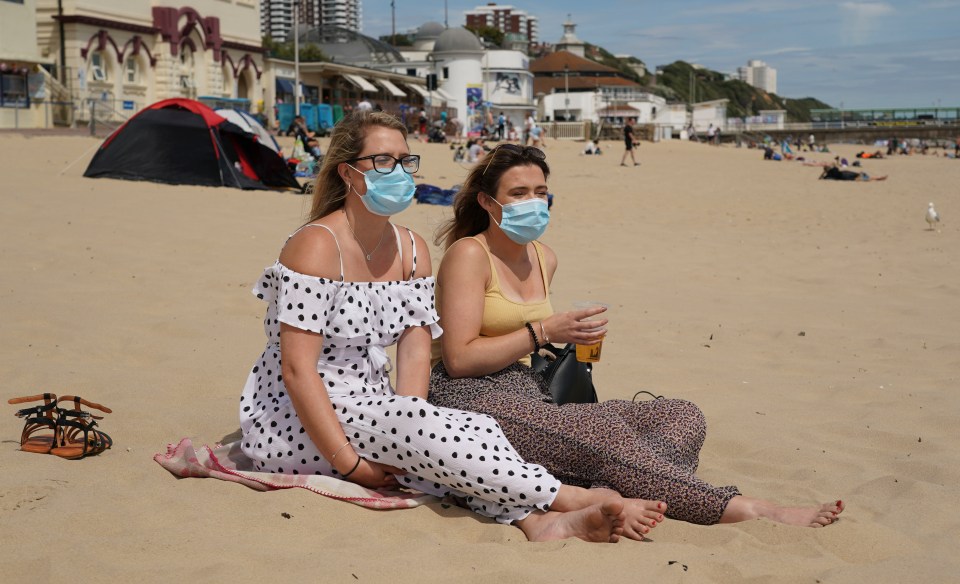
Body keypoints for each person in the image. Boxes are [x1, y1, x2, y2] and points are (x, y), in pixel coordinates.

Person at [237, 111, 663, 543]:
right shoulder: (316, 244)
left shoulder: (411, 247)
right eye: (383, 161)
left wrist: (407, 424)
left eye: (406, 161)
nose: (399, 172)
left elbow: (415, 355)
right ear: (348, 173)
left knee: (461, 433)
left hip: (372, 403)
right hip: (301, 417)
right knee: (434, 437)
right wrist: (352, 464)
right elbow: (297, 370)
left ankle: (537, 521)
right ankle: (569, 499)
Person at [427, 143, 846, 528]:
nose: (533, 202)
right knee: (607, 437)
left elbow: (533, 342)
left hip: (531, 389)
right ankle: (749, 508)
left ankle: (605, 490)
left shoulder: (543, 257)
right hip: (470, 395)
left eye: (540, 191)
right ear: (487, 201)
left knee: (682, 415)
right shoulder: (469, 254)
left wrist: (571, 339)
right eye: (518, 193)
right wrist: (542, 332)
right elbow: (459, 359)